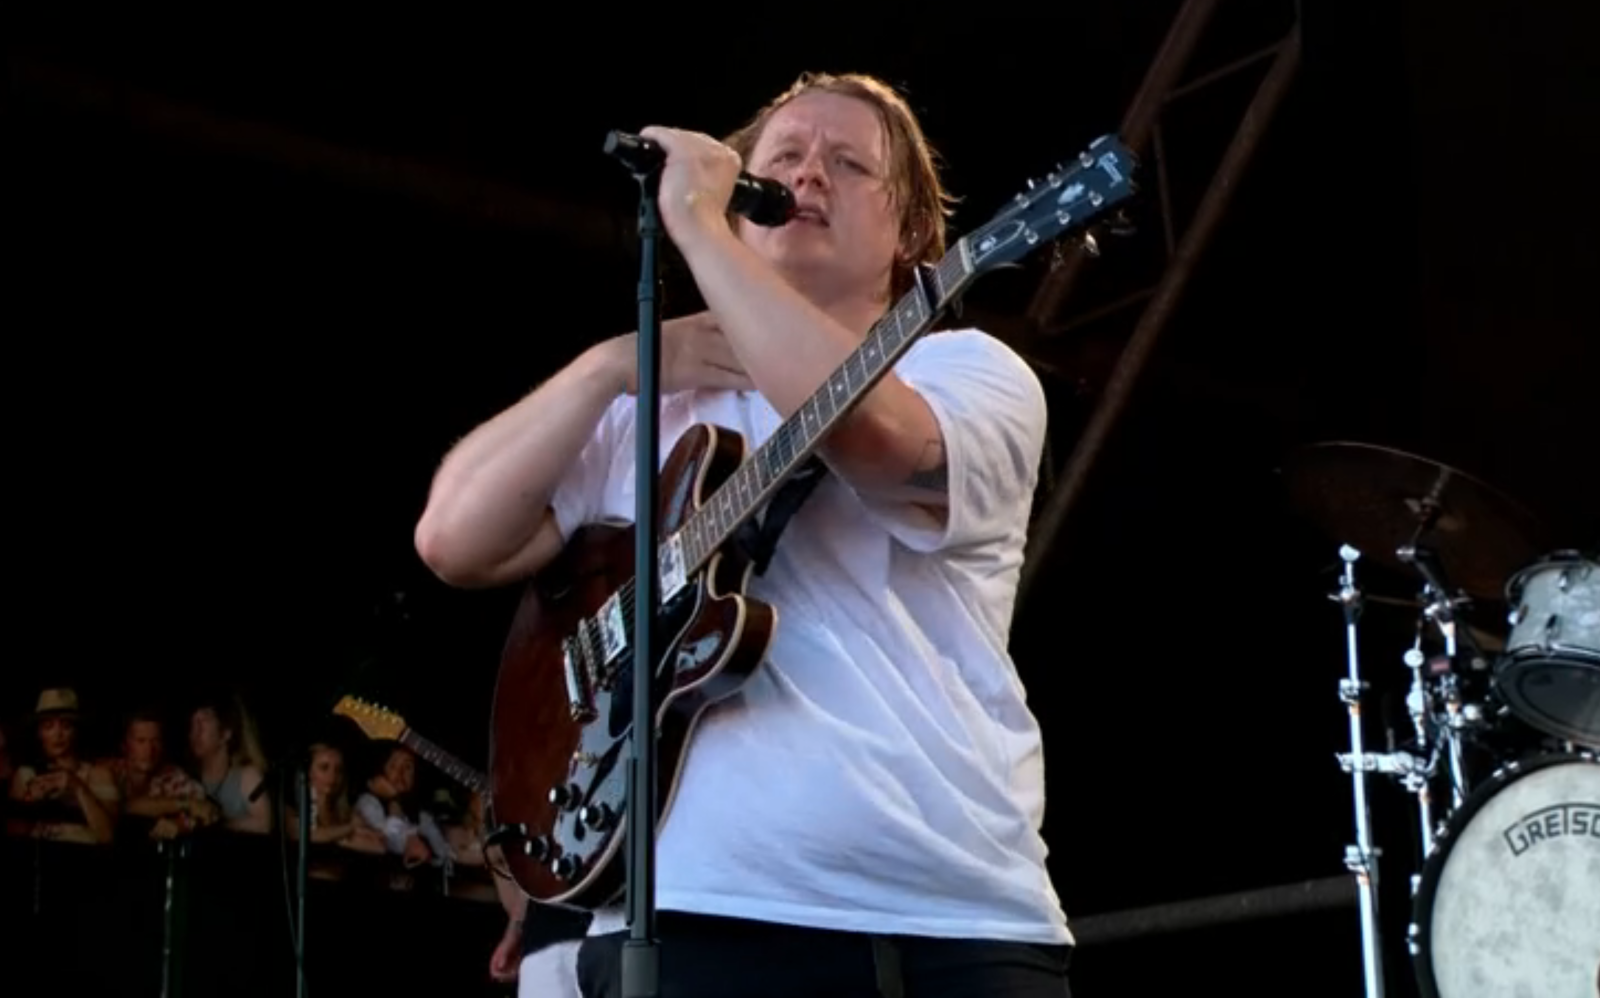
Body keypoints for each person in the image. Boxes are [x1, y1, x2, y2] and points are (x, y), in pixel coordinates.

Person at [415, 71, 1070, 998]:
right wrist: (611, 367)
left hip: (952, 914)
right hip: (694, 911)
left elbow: (875, 440)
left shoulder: (966, 371)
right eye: (786, 159)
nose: (809, 177)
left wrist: (698, 228)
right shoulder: (656, 398)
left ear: (912, 236)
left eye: (849, 165)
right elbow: (453, 538)